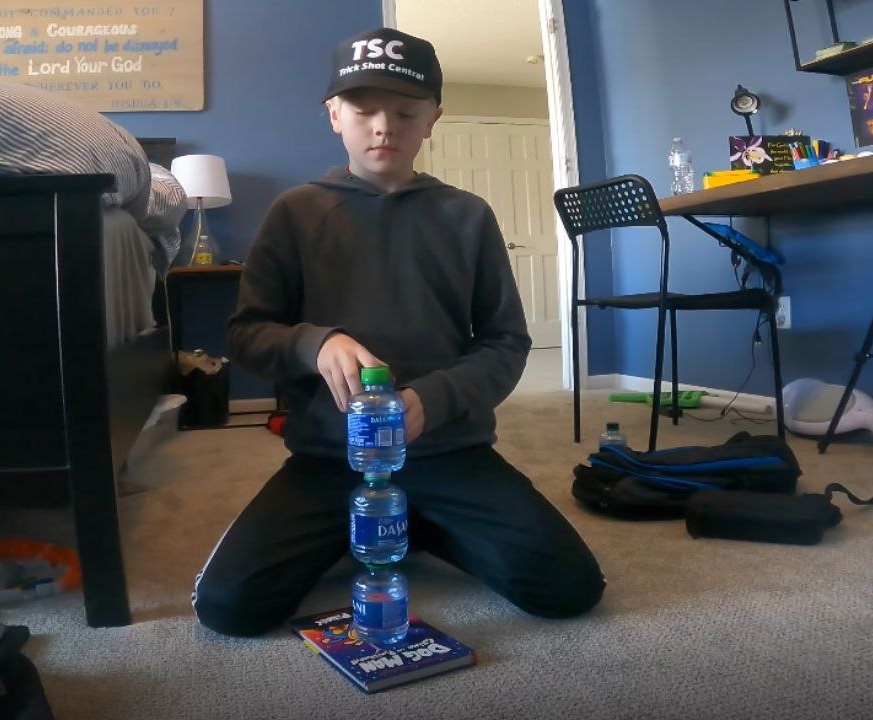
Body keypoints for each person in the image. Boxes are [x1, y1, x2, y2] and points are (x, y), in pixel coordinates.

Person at [190, 27, 605, 637]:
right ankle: (367, 527)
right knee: (228, 607)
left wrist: (430, 401)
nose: (384, 126)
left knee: (569, 588)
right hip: (331, 459)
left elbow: (506, 343)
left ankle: (418, 526)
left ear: (432, 120)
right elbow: (248, 335)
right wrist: (316, 342)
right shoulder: (295, 212)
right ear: (334, 115)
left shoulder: (467, 216)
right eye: (363, 109)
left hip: (449, 452)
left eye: (406, 111)